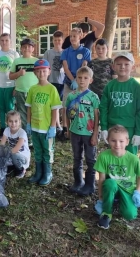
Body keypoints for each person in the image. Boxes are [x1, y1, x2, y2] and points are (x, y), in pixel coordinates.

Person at [94, 125, 140, 230]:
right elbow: (102, 179)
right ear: (108, 140)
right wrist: (100, 198)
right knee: (110, 183)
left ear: (127, 141)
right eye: (113, 140)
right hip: (112, 186)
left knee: (130, 215)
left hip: (127, 189)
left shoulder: (133, 159)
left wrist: (138, 192)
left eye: (121, 141)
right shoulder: (104, 156)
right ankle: (107, 212)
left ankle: (118, 202)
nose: (117, 144)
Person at [100, 52, 140, 155]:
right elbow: (103, 108)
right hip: (112, 127)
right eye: (119, 64)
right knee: (113, 156)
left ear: (132, 67)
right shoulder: (110, 86)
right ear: (113, 66)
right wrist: (104, 127)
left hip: (130, 129)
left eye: (126, 64)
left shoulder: (136, 87)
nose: (122, 67)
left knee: (129, 158)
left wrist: (138, 132)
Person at [64, 67, 100, 196]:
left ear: (91, 80)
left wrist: (95, 134)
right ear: (76, 79)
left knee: (90, 159)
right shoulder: (71, 96)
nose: (82, 80)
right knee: (77, 158)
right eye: (79, 78)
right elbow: (67, 113)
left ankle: (90, 185)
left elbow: (96, 117)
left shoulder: (93, 97)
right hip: (74, 132)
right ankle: (78, 182)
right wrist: (68, 130)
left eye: (85, 78)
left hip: (89, 133)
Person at [26, 59, 62, 186]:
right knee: (37, 150)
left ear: (49, 72)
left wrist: (53, 127)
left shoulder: (52, 89)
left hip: (46, 128)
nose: (41, 73)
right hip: (35, 127)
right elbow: (29, 107)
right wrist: (28, 123)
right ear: (35, 73)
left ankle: (47, 173)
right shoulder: (32, 89)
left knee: (47, 151)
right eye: (38, 71)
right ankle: (38, 172)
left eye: (44, 71)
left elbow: (55, 110)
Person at [60, 28, 91, 140]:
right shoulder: (66, 52)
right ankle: (65, 129)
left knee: (81, 105)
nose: (73, 38)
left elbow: (84, 66)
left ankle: (80, 127)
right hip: (69, 82)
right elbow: (66, 67)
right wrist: (73, 80)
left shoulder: (85, 51)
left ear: (80, 36)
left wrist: (78, 80)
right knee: (65, 105)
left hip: (81, 82)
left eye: (75, 36)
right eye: (71, 36)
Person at [0, 33, 19, 139]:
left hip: (10, 85)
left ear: (10, 41)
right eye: (2, 40)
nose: (4, 42)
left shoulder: (15, 54)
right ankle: (2, 130)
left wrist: (16, 86)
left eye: (6, 40)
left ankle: (12, 130)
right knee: (1, 108)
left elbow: (17, 71)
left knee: (10, 108)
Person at [9, 38, 38, 134]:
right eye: (24, 47)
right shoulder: (17, 61)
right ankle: (26, 135)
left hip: (34, 91)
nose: (26, 49)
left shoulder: (36, 61)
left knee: (34, 112)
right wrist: (19, 73)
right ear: (21, 49)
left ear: (33, 49)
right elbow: (10, 76)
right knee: (22, 113)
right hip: (20, 91)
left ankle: (34, 134)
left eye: (29, 47)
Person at [43, 31, 66, 136]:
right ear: (53, 40)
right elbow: (44, 67)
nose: (57, 42)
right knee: (53, 105)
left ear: (62, 41)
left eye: (59, 40)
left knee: (61, 105)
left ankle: (61, 125)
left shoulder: (65, 52)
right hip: (51, 82)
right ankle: (56, 125)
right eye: (55, 40)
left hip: (62, 82)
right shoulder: (48, 53)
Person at [0, 110, 31, 179]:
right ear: (7, 122)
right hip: (12, 154)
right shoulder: (6, 130)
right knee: (3, 153)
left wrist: (5, 154)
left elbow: (16, 149)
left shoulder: (22, 133)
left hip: (22, 157)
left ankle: (21, 169)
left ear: (19, 122)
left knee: (12, 154)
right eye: (10, 121)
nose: (13, 123)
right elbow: (2, 144)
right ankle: (13, 166)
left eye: (16, 121)